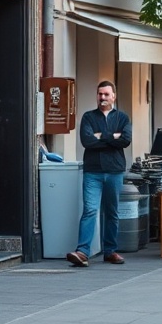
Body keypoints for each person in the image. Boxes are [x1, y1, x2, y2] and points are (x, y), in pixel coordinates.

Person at [66, 81, 132, 267]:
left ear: (114, 96)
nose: (102, 98)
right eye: (99, 94)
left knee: (112, 212)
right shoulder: (88, 117)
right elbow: (87, 141)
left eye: (106, 94)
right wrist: (113, 136)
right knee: (90, 210)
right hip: (93, 172)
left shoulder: (123, 118)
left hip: (115, 171)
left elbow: (126, 140)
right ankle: (82, 252)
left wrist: (101, 136)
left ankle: (110, 251)